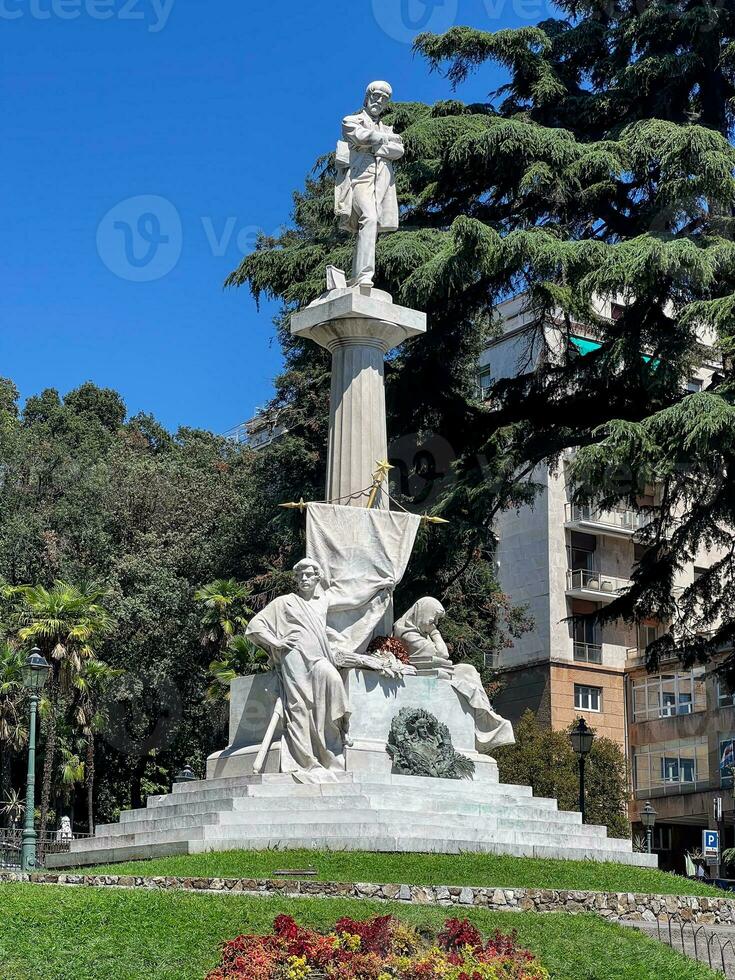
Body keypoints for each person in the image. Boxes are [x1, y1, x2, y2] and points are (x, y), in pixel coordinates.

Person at [245, 558, 395, 775]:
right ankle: (307, 759)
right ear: (296, 579)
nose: (304, 578)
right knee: (299, 705)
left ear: (317, 577)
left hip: (319, 657)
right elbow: (254, 626)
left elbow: (353, 598)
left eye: (309, 575)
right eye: (300, 575)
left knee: (333, 681)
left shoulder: (322, 600)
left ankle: (335, 741)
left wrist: (379, 586)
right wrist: (276, 642)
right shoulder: (285, 602)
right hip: (294, 656)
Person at [336, 81, 404, 287]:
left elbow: (399, 150)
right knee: (370, 217)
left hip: (381, 181)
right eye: (376, 96)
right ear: (367, 97)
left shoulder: (386, 128)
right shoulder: (351, 120)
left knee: (371, 224)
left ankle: (358, 277)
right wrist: (384, 140)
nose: (379, 101)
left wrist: (377, 147)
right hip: (359, 179)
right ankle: (365, 276)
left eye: (384, 99)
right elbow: (359, 136)